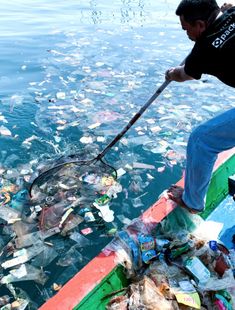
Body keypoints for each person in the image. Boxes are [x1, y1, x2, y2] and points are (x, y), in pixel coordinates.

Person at [165, 0, 235, 213]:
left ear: (201, 25)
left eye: (187, 29)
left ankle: (192, 203)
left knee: (201, 140)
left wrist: (170, 73)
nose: (187, 35)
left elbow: (182, 74)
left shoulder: (202, 51)